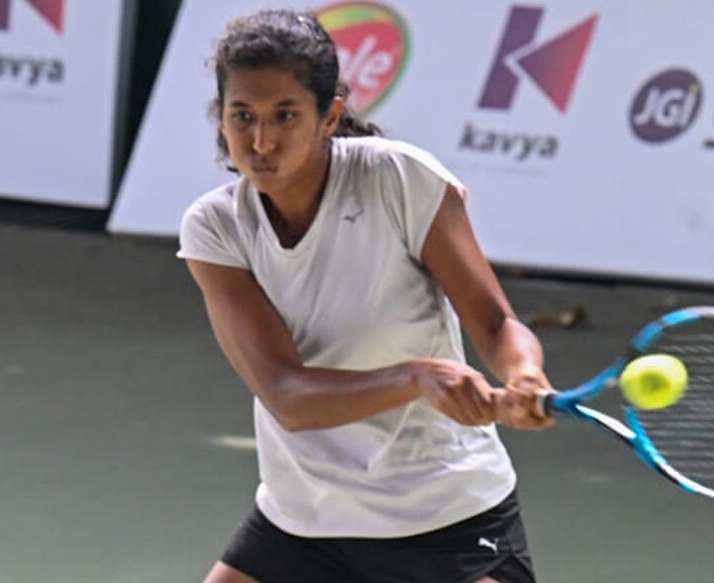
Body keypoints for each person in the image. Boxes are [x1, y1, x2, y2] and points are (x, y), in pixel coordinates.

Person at [178, 9, 555, 583]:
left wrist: (524, 371)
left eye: (285, 115)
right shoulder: (216, 228)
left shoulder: (397, 179)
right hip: (304, 520)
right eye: (242, 116)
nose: (260, 141)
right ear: (220, 116)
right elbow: (288, 395)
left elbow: (495, 321)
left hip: (444, 513)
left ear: (329, 115)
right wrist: (418, 377)